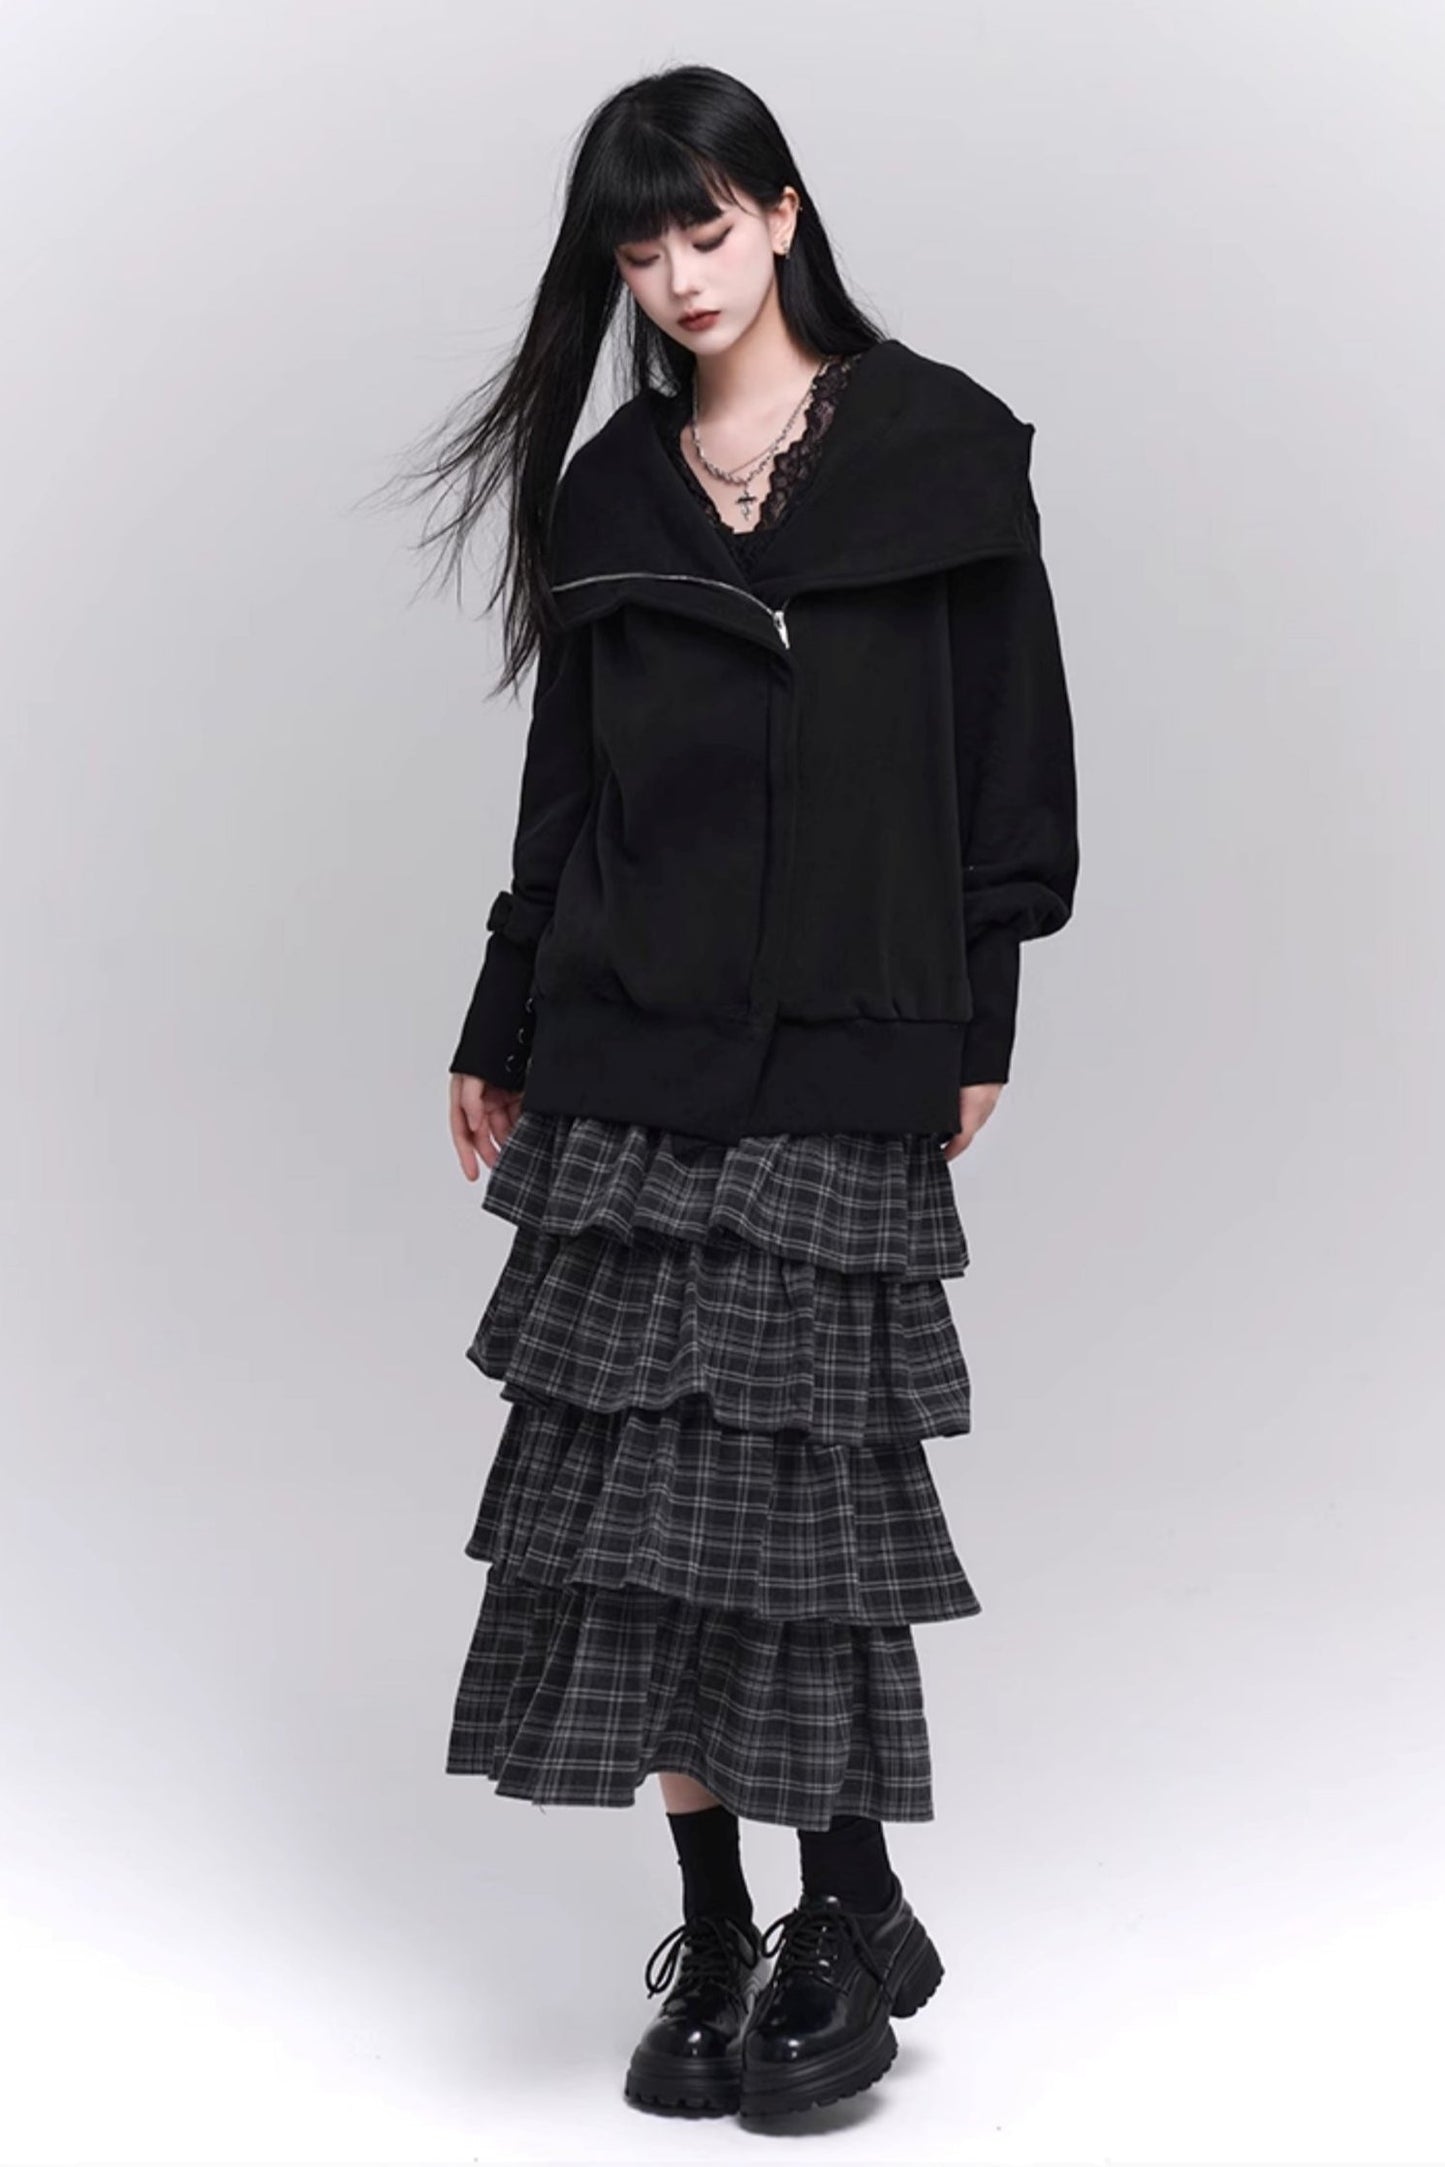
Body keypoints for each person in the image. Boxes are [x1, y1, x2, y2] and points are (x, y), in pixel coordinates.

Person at [402, 64, 1079, 2120]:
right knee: (632, 1519)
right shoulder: (612, 493)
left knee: (800, 1513)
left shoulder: (941, 448)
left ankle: (844, 1908)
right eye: (641, 252)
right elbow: (567, 790)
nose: (681, 278)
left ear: (782, 212)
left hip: (848, 1033)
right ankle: (716, 1927)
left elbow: (1011, 756)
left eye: (706, 229)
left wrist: (978, 1011)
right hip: (628, 1044)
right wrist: (501, 1011)